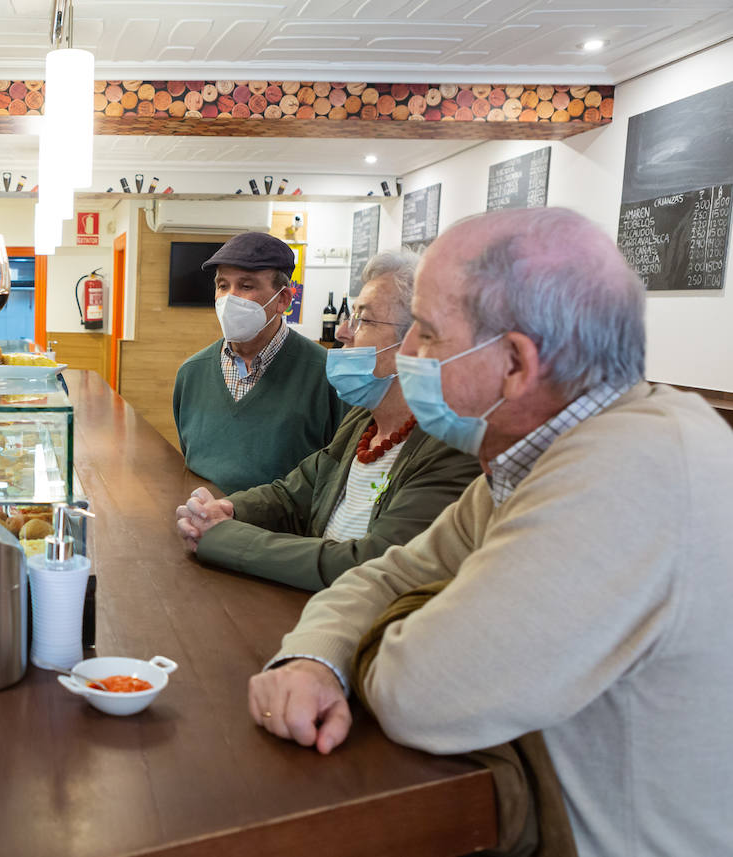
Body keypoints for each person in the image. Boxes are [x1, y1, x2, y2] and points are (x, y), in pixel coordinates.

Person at [247, 208, 733, 856]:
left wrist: (365, 647)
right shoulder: (536, 456)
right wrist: (314, 655)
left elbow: (420, 690)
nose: (407, 354)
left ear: (515, 363)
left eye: (425, 331)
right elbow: (387, 573)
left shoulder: (631, 470)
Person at [175, 251, 477, 590]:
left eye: (364, 320)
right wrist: (223, 510)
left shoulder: (452, 447)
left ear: (419, 343)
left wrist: (226, 538)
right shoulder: (363, 422)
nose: (344, 331)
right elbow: (293, 496)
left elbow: (370, 562)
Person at [172, 232, 345, 494]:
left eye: (246, 286)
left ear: (283, 300)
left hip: (284, 534)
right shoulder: (191, 374)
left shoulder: (327, 375)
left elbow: (336, 477)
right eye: (222, 285)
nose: (230, 298)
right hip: (204, 530)